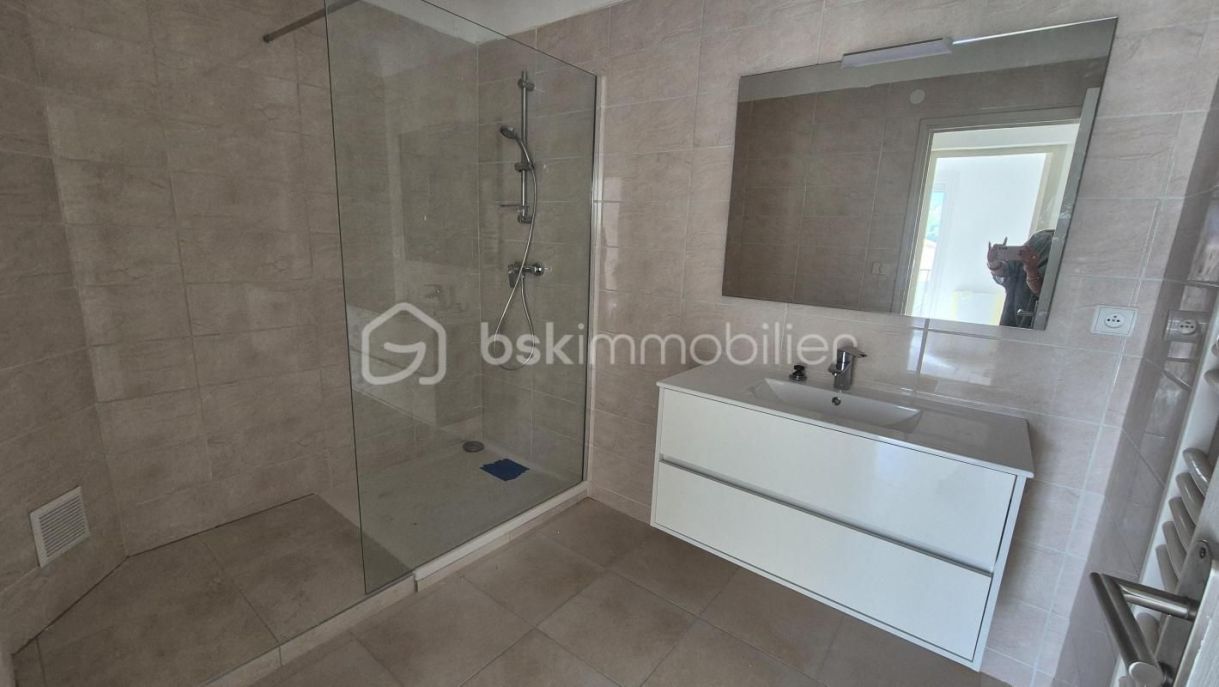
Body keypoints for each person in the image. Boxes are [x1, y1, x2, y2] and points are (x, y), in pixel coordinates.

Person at [987, 230, 1053, 328]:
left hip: (1042, 320)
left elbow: (1047, 295)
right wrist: (993, 264)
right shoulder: (1040, 238)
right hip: (1023, 322)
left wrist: (1031, 269)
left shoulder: (1043, 238)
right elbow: (1007, 271)